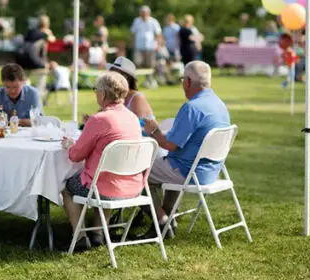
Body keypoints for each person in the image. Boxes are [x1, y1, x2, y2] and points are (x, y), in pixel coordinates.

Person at [142, 61, 231, 232]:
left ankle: (161, 220)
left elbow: (170, 145)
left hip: (190, 172)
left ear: (188, 82)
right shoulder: (219, 104)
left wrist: (154, 130)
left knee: (135, 171)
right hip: (211, 170)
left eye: (183, 79)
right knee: (168, 164)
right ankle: (168, 221)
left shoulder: (192, 107)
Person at [62, 71, 145, 251]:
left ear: (104, 94)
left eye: (96, 90)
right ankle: (98, 233)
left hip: (105, 189)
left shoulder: (99, 119)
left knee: (68, 187)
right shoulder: (132, 117)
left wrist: (69, 145)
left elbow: (75, 155)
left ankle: (80, 236)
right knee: (106, 176)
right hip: (133, 186)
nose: (95, 93)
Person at [103, 56, 155, 123]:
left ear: (127, 78)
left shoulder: (137, 98)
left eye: (117, 74)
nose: (112, 77)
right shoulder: (113, 97)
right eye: (112, 73)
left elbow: (141, 126)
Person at [130, 6, 162, 73]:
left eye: (145, 12)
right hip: (138, 47)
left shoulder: (154, 21)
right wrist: (132, 43)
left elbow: (158, 34)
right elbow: (133, 33)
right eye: (142, 12)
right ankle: (136, 79)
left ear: (148, 13)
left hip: (150, 47)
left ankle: (149, 80)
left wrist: (158, 45)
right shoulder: (136, 21)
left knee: (150, 64)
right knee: (137, 63)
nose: (143, 14)